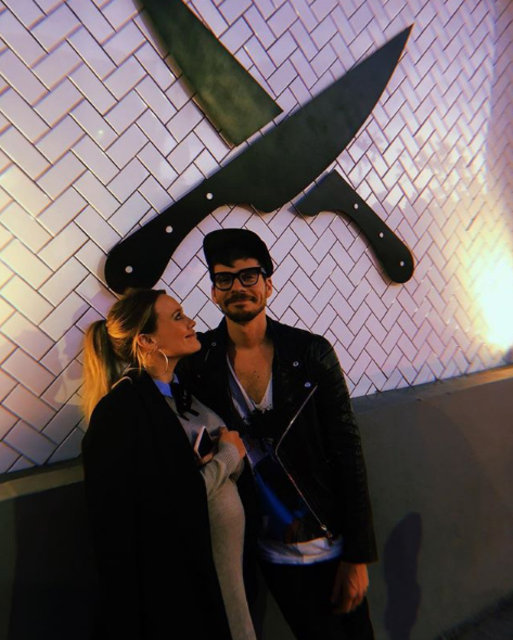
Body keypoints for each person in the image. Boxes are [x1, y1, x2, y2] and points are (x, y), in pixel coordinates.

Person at [178, 228, 378, 640]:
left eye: (249, 275)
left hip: (328, 540)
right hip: (263, 549)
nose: (238, 287)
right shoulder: (200, 364)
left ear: (268, 284)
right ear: (213, 293)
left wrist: (358, 555)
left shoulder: (311, 353)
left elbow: (347, 450)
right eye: (224, 279)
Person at [81, 288, 257, 640]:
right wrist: (225, 458)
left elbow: (232, 462)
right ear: (146, 341)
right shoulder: (121, 414)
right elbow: (162, 506)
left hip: (231, 582)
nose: (191, 322)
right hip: (183, 595)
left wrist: (227, 457)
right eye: (177, 317)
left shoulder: (189, 394)